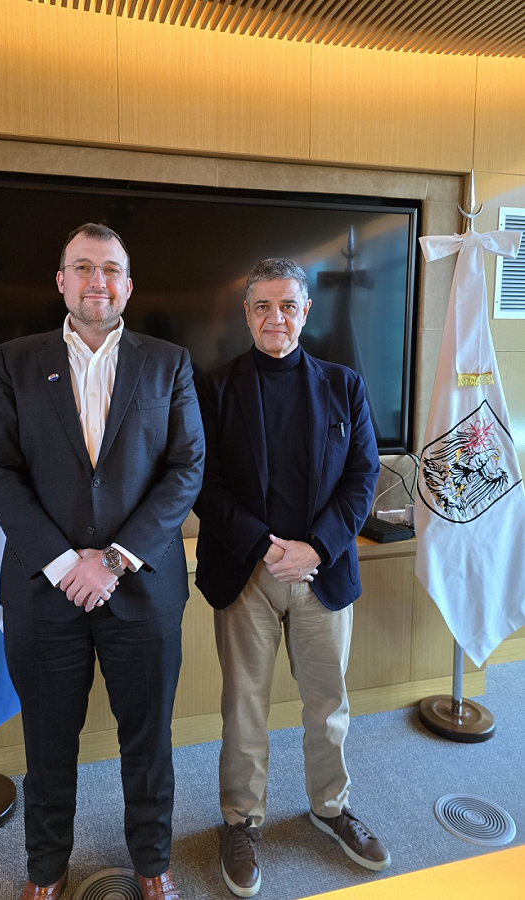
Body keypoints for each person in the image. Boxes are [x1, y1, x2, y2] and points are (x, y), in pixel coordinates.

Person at [0, 223, 205, 900]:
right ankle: (45, 871)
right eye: (82, 267)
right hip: (43, 593)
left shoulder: (169, 362)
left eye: (109, 269)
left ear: (127, 286)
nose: (96, 281)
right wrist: (62, 561)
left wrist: (111, 560)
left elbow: (185, 467)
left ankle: (152, 863)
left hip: (142, 588)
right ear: (61, 281)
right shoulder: (15, 361)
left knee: (148, 743)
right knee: (48, 744)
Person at [193, 258, 388, 898]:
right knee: (243, 706)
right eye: (262, 306)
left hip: (321, 573)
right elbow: (203, 483)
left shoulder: (344, 385)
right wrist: (262, 545)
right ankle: (241, 821)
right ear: (247, 314)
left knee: (328, 704)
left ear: (305, 312)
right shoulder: (214, 387)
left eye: (287, 306)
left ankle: (331, 808)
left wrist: (317, 548)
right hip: (244, 570)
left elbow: (362, 477)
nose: (275, 317)